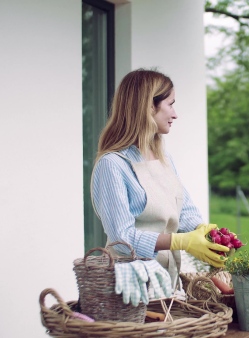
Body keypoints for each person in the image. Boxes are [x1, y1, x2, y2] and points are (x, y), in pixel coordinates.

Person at [90, 68, 228, 291]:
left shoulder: (164, 158)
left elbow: (184, 212)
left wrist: (207, 233)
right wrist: (179, 241)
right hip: (129, 288)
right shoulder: (113, 165)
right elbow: (122, 238)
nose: (175, 114)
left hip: (167, 282)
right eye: (170, 104)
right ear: (148, 107)